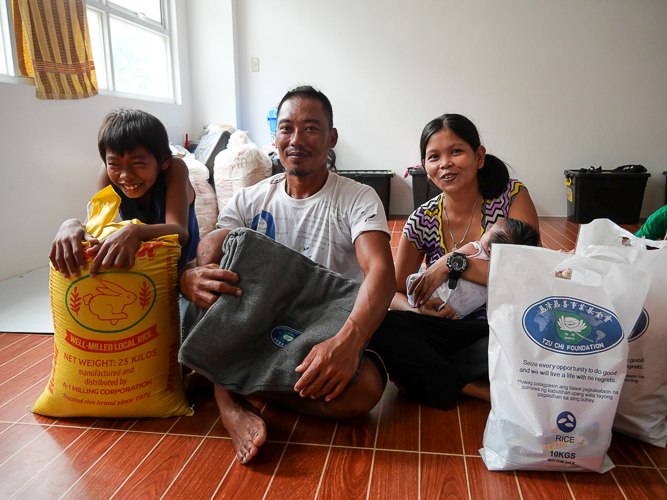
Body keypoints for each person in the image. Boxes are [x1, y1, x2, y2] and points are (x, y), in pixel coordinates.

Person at [179, 86, 395, 465]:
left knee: (366, 390)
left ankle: (225, 374)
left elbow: (380, 270)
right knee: (214, 248)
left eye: (311, 129)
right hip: (253, 321)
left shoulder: (357, 197)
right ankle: (229, 401)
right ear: (274, 137)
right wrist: (189, 277)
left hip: (317, 326)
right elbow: (209, 258)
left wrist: (347, 342)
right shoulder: (250, 199)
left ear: (331, 138)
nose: (297, 140)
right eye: (287, 129)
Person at [368, 113, 539, 409]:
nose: (445, 163)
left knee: (527, 338)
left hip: (503, 328)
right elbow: (391, 292)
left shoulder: (510, 197)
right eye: (434, 156)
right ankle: (473, 387)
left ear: (479, 156)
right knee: (381, 325)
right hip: (447, 330)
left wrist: (453, 263)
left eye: (456, 151)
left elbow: (530, 276)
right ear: (425, 168)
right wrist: (418, 310)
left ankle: (437, 377)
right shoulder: (421, 219)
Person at [49, 109, 199, 278]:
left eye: (138, 163)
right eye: (114, 164)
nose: (125, 175)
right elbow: (94, 227)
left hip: (184, 269)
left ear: (163, 160)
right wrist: (71, 225)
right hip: (142, 269)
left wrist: (134, 231)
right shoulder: (108, 172)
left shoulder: (174, 168)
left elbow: (180, 232)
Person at [406, 218, 540, 317]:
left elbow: (453, 258)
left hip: (452, 304)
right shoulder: (505, 268)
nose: (485, 230)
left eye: (488, 230)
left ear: (488, 248)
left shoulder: (477, 248)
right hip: (457, 307)